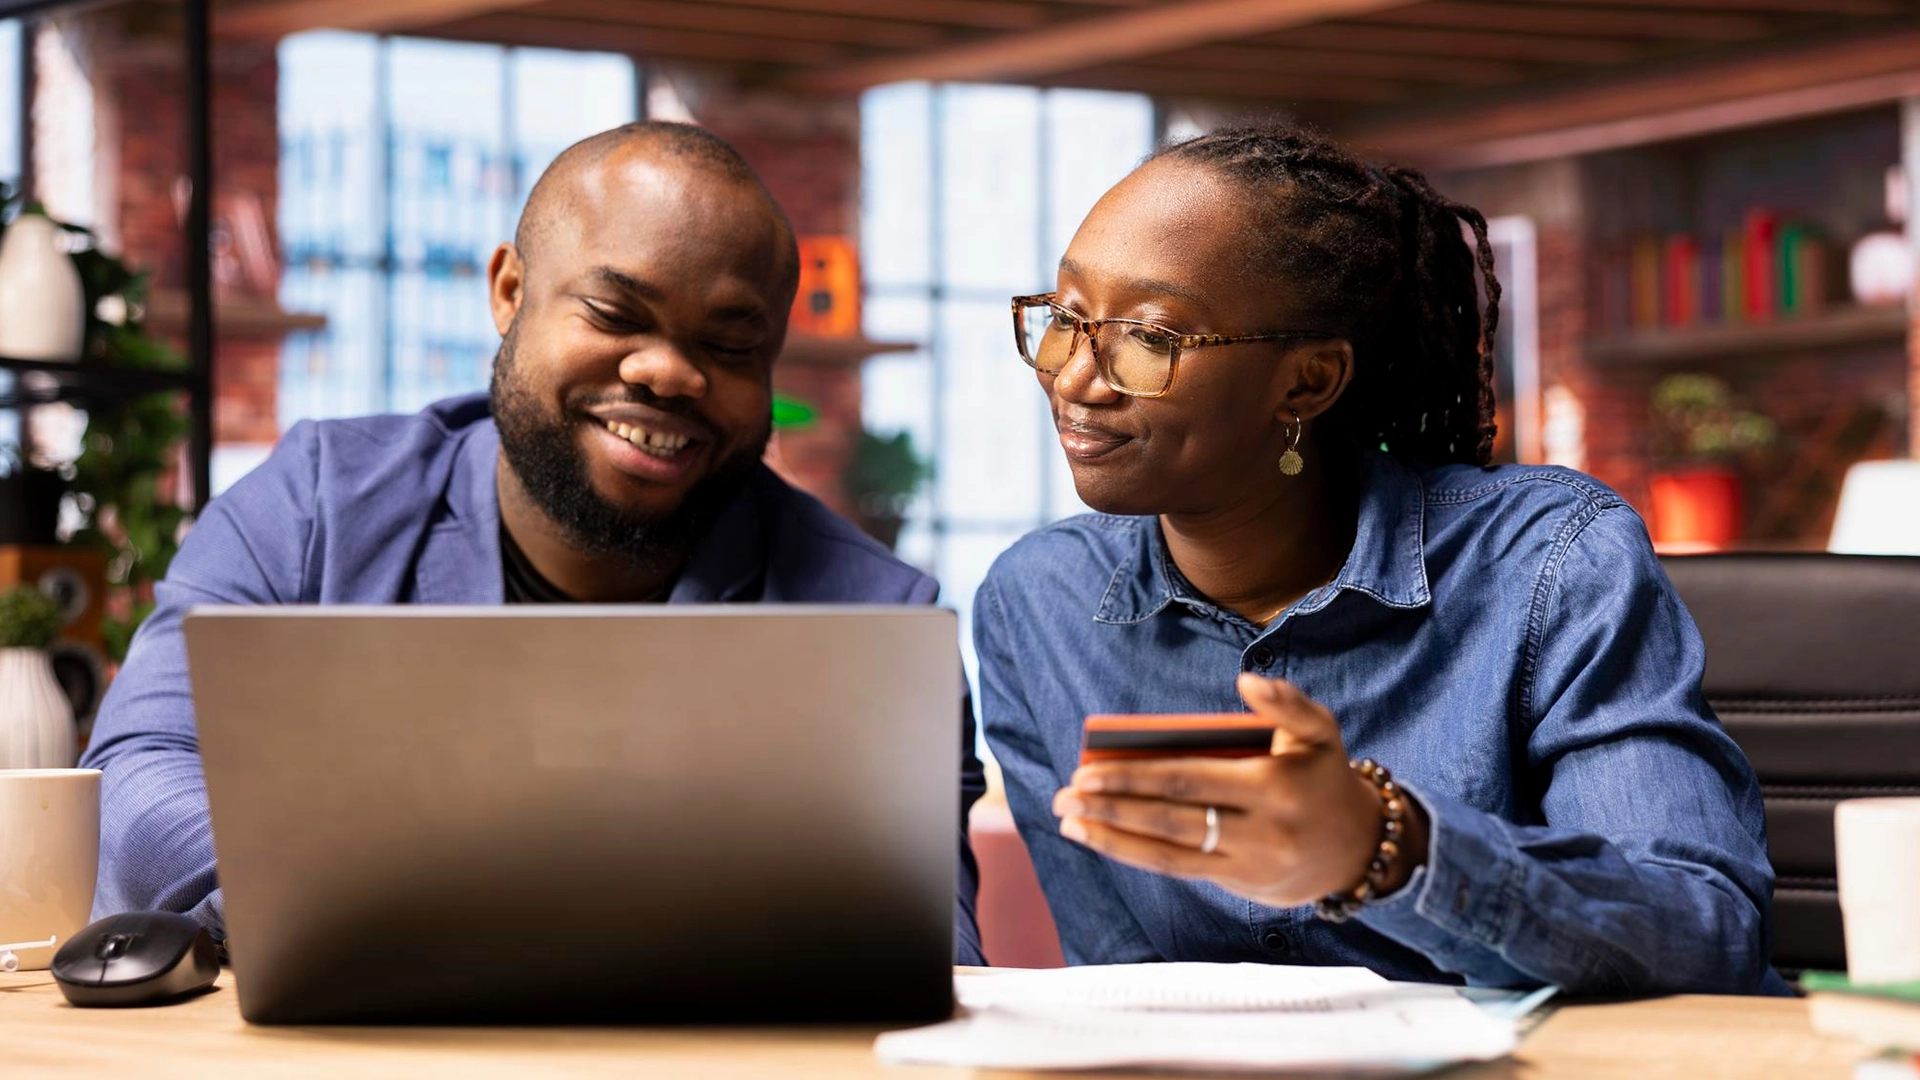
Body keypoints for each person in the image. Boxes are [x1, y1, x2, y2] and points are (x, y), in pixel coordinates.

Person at [82, 122, 984, 964]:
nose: (669, 371)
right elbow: (136, 780)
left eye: (729, 343)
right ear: (510, 291)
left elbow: (929, 945)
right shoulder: (321, 506)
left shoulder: (873, 618)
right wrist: (372, 899)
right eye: (615, 314)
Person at [974, 123, 1781, 995]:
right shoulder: (1038, 604)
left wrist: (1385, 845)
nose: (1075, 378)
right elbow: (1120, 990)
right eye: (1066, 318)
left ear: (1308, 382)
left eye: (1149, 337)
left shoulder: (1549, 561)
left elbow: (1706, 937)